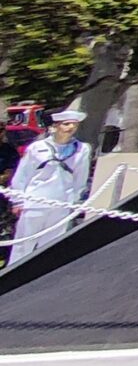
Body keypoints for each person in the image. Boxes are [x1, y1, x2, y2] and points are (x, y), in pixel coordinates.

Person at [6, 107, 92, 262]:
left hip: (61, 203)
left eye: (74, 125)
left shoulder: (81, 149)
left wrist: (74, 200)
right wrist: (18, 199)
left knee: (51, 246)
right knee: (24, 244)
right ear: (56, 126)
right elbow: (23, 175)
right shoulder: (37, 148)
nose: (70, 128)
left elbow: (81, 177)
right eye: (66, 124)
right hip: (35, 201)